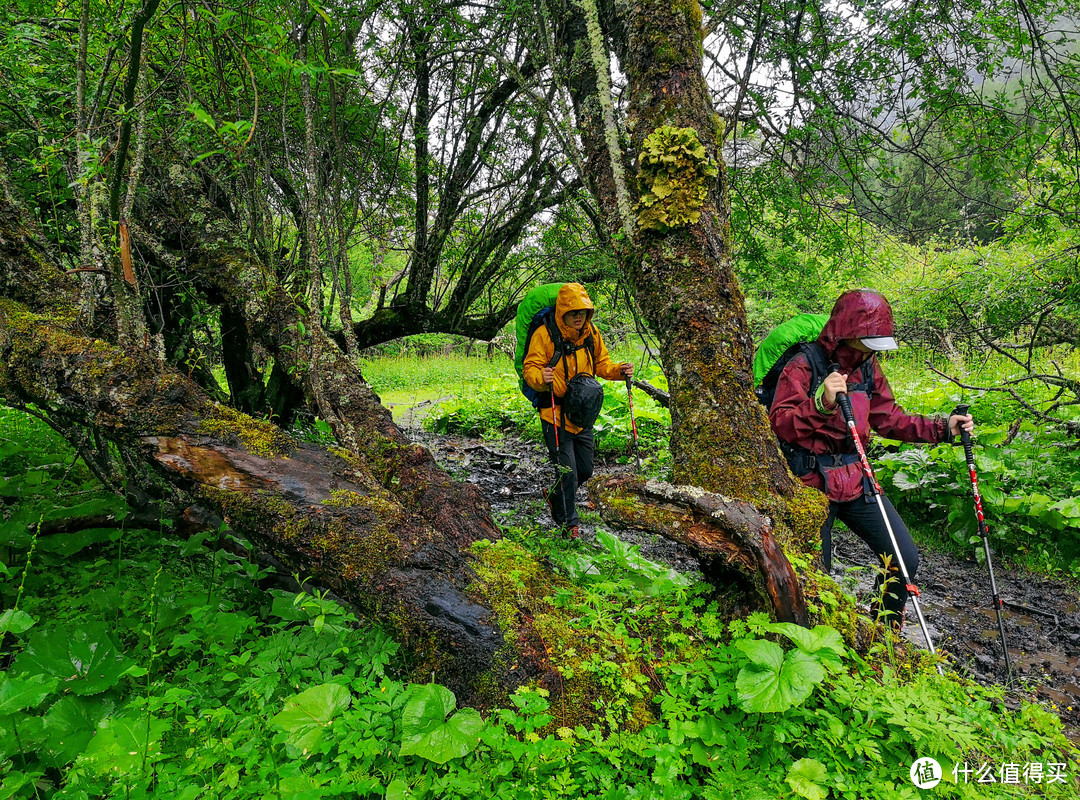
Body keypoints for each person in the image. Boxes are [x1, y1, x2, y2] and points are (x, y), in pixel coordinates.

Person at [769, 289, 973, 628]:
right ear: (845, 332)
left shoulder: (867, 367)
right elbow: (781, 424)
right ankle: (816, 642)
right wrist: (821, 404)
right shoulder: (803, 364)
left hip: (855, 477)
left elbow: (889, 418)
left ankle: (884, 635)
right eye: (868, 341)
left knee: (903, 558)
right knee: (814, 570)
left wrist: (943, 428)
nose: (873, 349)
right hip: (809, 481)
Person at [523, 283, 633, 537]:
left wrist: (619, 371)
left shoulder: (591, 333)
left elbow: (603, 364)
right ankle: (569, 525)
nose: (578, 316)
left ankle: (554, 496)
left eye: (583, 312)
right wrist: (542, 376)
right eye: (573, 312)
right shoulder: (544, 334)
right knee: (568, 472)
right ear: (562, 312)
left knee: (584, 470)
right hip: (554, 413)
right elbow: (530, 368)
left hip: (582, 413)